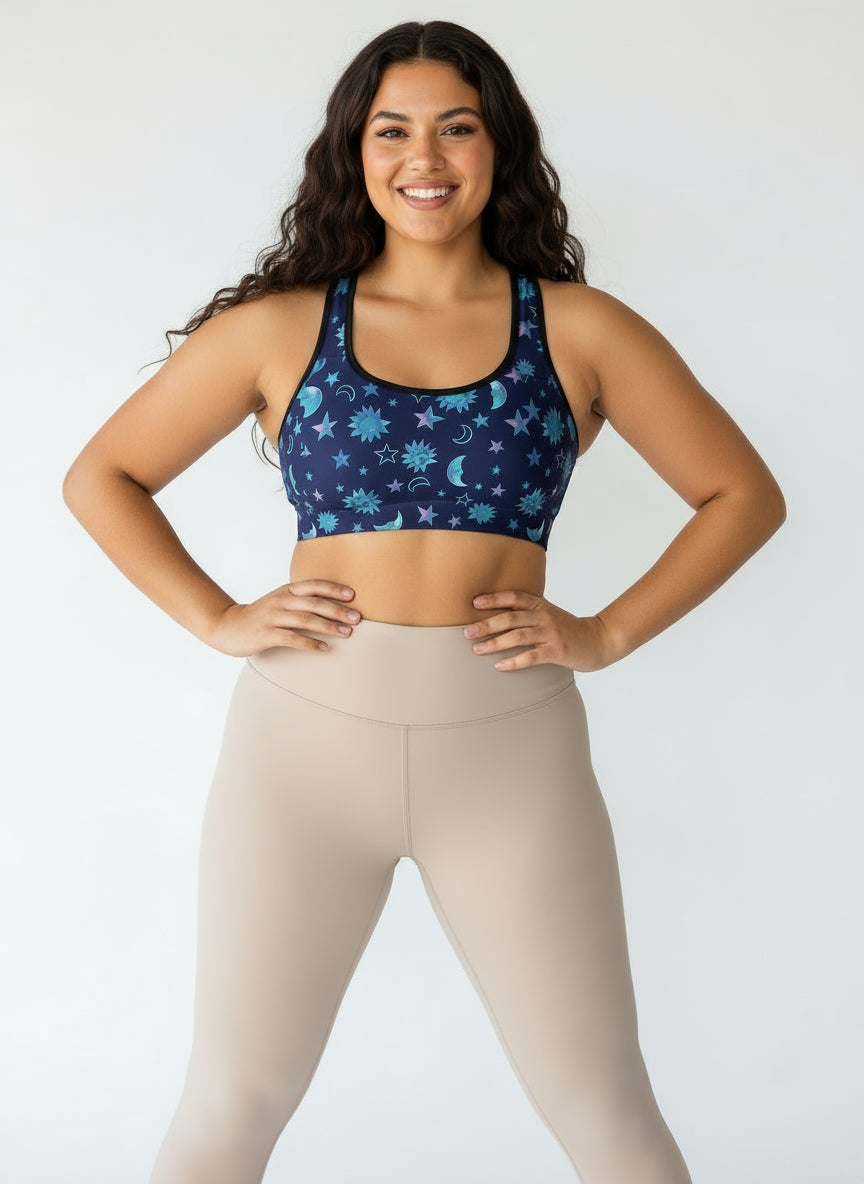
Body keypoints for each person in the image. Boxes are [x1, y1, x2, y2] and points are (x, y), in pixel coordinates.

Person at [62, 18, 785, 1184]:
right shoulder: (283, 326)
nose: (425, 155)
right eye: (392, 129)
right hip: (299, 752)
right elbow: (102, 476)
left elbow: (741, 493)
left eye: (457, 125)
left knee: (604, 1106)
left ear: (499, 145)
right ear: (355, 150)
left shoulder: (581, 327)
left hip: (512, 750)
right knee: (233, 1099)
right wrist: (213, 615)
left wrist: (606, 632)